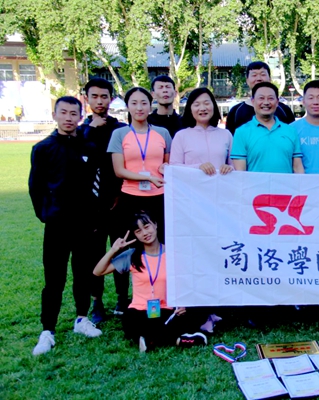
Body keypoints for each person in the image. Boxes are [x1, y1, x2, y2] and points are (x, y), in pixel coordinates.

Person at [29, 96, 102, 356]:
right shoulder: (43, 148)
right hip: (57, 224)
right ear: (55, 115)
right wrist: (46, 215)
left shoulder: (89, 147)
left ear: (81, 117)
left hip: (84, 224)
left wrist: (93, 217)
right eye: (64, 113)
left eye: (74, 113)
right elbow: (35, 187)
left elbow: (96, 185)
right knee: (54, 278)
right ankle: (48, 329)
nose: (69, 118)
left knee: (83, 274)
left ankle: (82, 318)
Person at [93, 212, 208, 352]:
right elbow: (98, 271)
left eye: (147, 227)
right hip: (140, 311)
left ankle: (149, 339)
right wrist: (114, 250)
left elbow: (187, 281)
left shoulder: (173, 254)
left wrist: (182, 303)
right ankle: (178, 339)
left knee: (190, 314)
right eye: (138, 231)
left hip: (167, 309)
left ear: (156, 225)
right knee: (130, 321)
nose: (145, 233)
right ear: (135, 235)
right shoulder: (132, 255)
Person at [80, 78, 129, 323]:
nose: (99, 101)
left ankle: (122, 298)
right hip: (91, 207)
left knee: (121, 250)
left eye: (104, 96)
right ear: (86, 99)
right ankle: (96, 302)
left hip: (118, 202)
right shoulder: (80, 131)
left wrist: (120, 194)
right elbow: (80, 162)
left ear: (111, 98)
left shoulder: (120, 129)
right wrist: (90, 129)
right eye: (95, 96)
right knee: (95, 255)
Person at [108, 87, 172, 242]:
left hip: (159, 196)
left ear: (150, 106)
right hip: (130, 197)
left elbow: (169, 164)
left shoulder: (163, 133)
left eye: (144, 103)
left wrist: (165, 167)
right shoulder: (119, 134)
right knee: (131, 242)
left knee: (161, 240)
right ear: (127, 106)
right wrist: (148, 178)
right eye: (134, 103)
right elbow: (119, 170)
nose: (139, 108)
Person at [231, 82, 304, 173]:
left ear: (277, 102)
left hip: (286, 183)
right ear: (253, 101)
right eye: (261, 98)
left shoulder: (291, 131)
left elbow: (298, 167)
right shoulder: (241, 132)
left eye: (270, 98)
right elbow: (240, 172)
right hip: (254, 183)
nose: (266, 102)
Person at [170, 88, 234, 175]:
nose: (202, 108)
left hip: (220, 183)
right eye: (197, 105)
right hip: (192, 183)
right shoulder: (181, 136)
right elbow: (174, 167)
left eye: (206, 103)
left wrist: (229, 168)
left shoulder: (226, 135)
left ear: (213, 105)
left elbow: (235, 165)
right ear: (190, 109)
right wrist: (198, 167)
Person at [226, 62, 295, 135]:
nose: (258, 79)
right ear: (247, 80)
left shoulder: (284, 110)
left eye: (263, 74)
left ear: (270, 79)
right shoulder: (235, 111)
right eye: (254, 75)